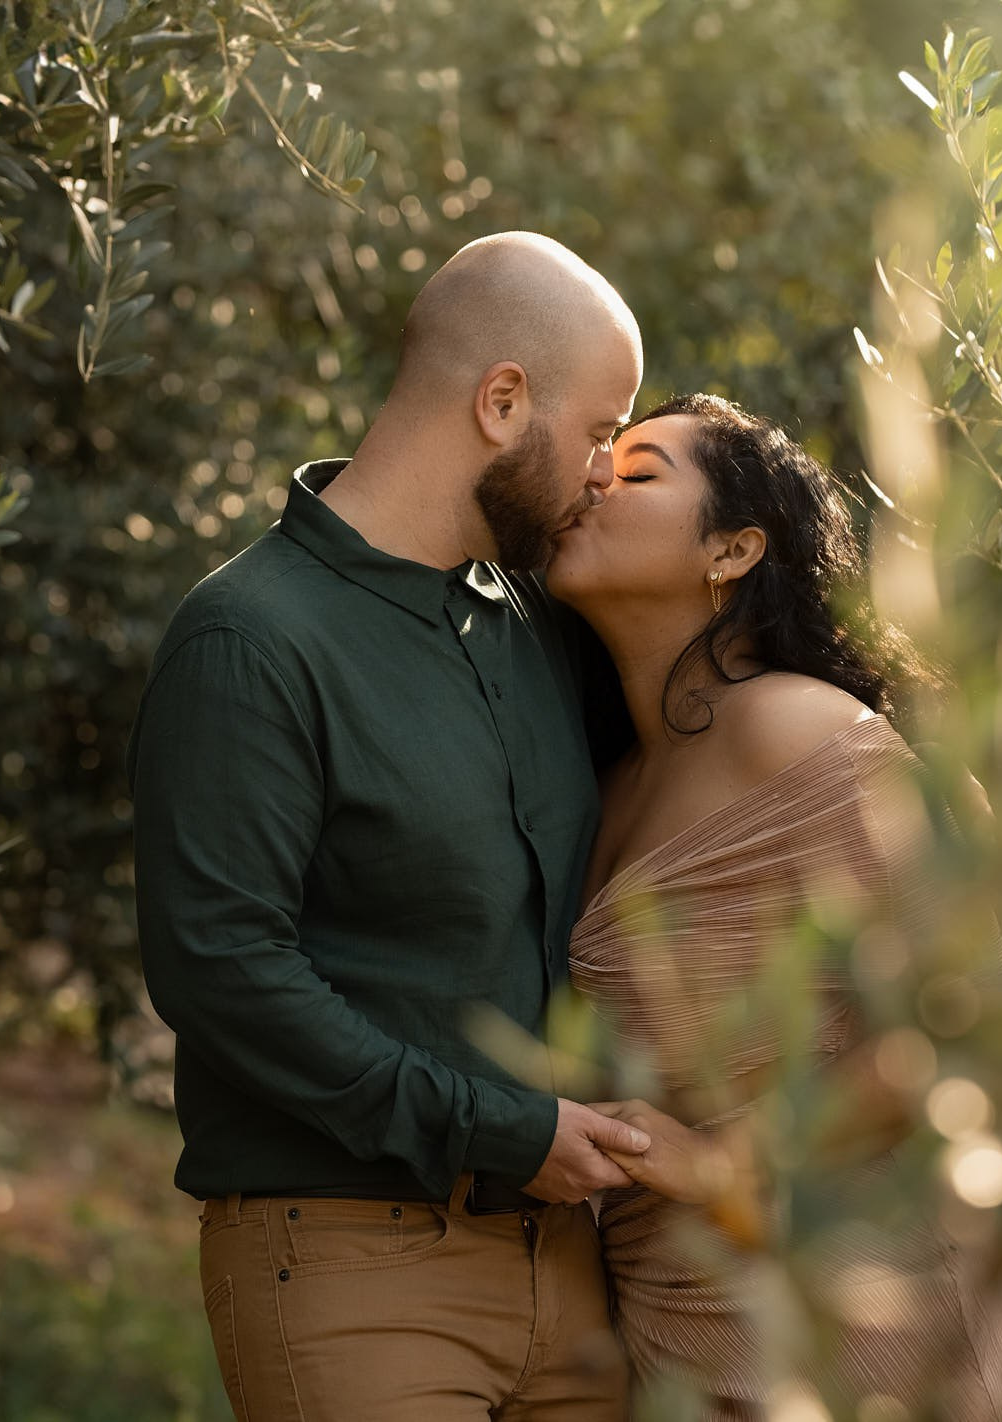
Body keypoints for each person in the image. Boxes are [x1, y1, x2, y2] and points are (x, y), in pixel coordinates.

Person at [130, 232, 652, 1421]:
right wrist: (500, 1128)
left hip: (570, 1276)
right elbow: (221, 970)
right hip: (347, 1264)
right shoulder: (249, 640)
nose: (606, 470)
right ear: (500, 401)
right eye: (597, 428)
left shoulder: (533, 624)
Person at [545, 393, 1002, 1420]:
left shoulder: (799, 732)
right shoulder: (605, 786)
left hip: (870, 1322)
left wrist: (719, 1158)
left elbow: (959, 1025)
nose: (598, 476)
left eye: (640, 471)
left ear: (732, 552)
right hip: (684, 1327)